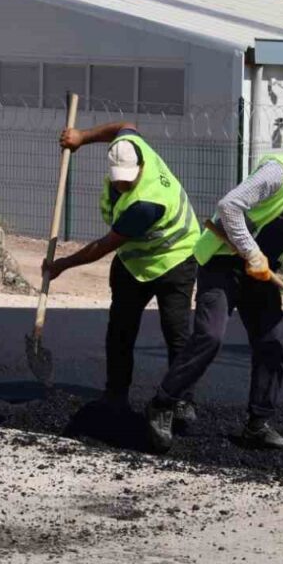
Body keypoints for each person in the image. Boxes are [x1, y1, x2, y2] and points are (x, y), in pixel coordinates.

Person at [146, 143, 283, 453]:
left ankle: (257, 424)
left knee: (272, 344)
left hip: (264, 274)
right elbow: (229, 205)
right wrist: (251, 252)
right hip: (225, 260)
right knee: (210, 335)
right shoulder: (279, 172)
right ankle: (163, 403)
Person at [42, 121, 200, 422]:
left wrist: (61, 265)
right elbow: (124, 126)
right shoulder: (128, 144)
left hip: (175, 257)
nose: (122, 185)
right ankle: (115, 394)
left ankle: (181, 400)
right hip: (135, 259)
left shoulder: (147, 203)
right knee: (120, 330)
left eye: (127, 180)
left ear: (141, 165)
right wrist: (81, 137)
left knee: (176, 331)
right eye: (118, 180)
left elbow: (103, 247)